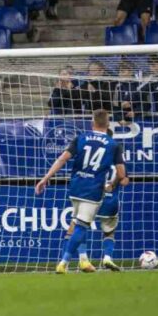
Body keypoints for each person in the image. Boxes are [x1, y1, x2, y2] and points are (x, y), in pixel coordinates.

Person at [35, 109, 126, 274]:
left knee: (77, 222)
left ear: (93, 122)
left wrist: (45, 178)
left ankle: (83, 260)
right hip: (93, 191)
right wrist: (112, 184)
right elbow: (121, 174)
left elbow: (63, 158)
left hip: (75, 187)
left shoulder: (81, 138)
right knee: (81, 226)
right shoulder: (114, 145)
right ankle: (63, 262)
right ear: (107, 124)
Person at [67, 129, 129, 272]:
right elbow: (125, 179)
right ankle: (107, 258)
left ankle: (82, 259)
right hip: (110, 201)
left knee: (78, 226)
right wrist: (113, 184)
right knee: (109, 232)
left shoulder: (98, 156)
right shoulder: (117, 156)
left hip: (92, 196)